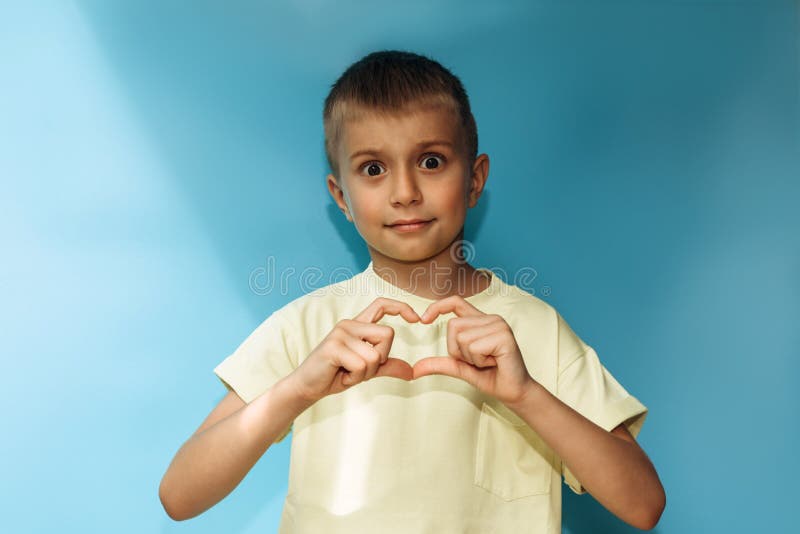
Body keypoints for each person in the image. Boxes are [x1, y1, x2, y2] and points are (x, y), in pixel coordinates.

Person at [159, 49, 666, 532]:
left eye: (430, 161)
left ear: (474, 178)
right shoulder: (310, 329)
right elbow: (179, 496)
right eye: (373, 169)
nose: (405, 192)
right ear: (341, 195)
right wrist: (297, 390)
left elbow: (643, 505)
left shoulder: (531, 329)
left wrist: (526, 395)